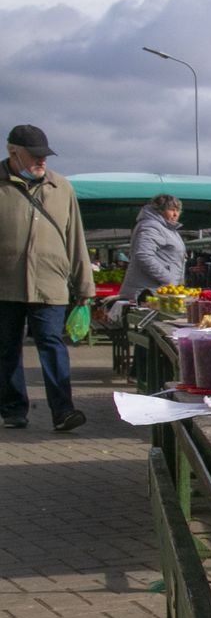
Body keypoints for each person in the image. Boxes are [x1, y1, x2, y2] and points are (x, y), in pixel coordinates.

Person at [0, 124, 93, 431]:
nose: (42, 161)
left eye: (45, 156)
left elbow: (75, 237)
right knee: (6, 348)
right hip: (5, 284)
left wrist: (84, 285)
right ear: (13, 152)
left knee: (52, 344)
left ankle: (63, 412)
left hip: (49, 283)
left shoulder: (61, 187)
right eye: (34, 155)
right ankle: (13, 410)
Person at [117, 193, 186, 301]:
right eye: (171, 210)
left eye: (178, 210)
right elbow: (143, 255)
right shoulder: (151, 226)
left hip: (159, 291)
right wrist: (169, 280)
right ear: (160, 210)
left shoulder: (168, 229)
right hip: (147, 293)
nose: (175, 214)